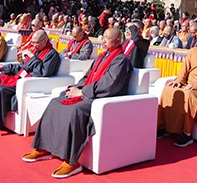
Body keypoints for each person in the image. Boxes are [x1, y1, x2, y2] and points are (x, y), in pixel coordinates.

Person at [22, 28, 132, 178]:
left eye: (107, 38)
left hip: (103, 98)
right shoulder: (101, 57)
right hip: (90, 92)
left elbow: (110, 85)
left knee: (76, 110)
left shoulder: (121, 60)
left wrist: (82, 92)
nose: (103, 41)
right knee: (56, 102)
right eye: (103, 38)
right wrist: (76, 87)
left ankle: (72, 161)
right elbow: (87, 77)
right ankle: (44, 147)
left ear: (118, 41)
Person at [0, 30, 60, 132]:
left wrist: (32, 57)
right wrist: (6, 68)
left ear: (45, 40)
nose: (34, 45)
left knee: (0, 90)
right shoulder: (35, 50)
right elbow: (22, 67)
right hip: (19, 77)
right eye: (32, 42)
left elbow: (44, 72)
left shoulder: (52, 54)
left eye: (37, 42)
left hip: (30, 83)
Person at [156, 24, 197, 147]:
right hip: (187, 83)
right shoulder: (193, 50)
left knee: (187, 95)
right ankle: (164, 127)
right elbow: (185, 68)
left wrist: (195, 84)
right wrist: (179, 80)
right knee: (168, 90)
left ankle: (187, 134)